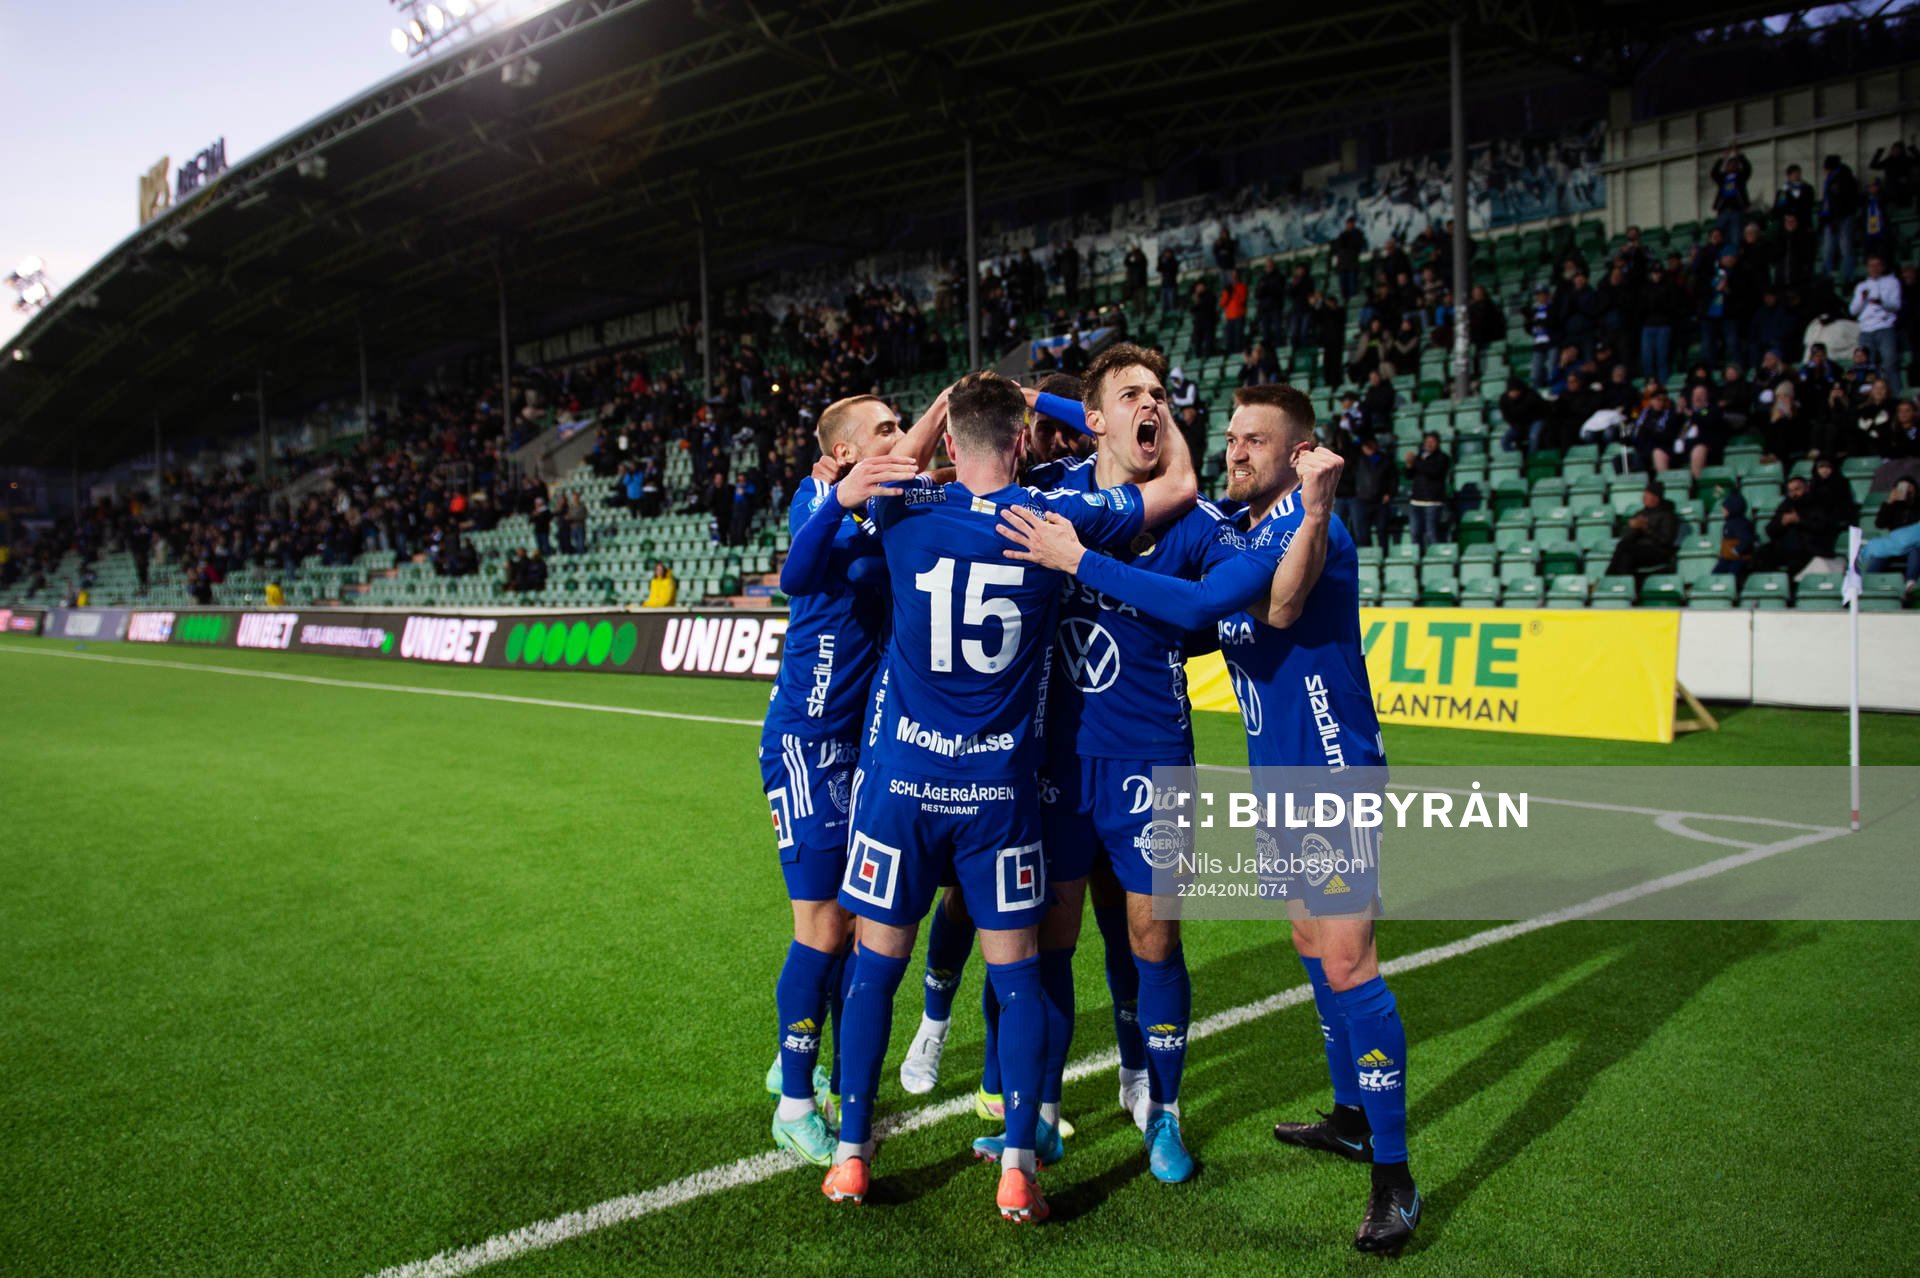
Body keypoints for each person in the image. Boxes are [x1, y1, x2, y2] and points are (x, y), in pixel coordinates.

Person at [998, 385, 1422, 1255]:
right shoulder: (1238, 525)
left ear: (1301, 451)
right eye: (1232, 437)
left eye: (1257, 441)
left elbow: (1238, 609)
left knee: (1348, 960)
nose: (1237, 452)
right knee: (1311, 946)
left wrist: (1078, 559)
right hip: (1279, 776)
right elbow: (1162, 459)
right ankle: (1348, 1114)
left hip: (1330, 771)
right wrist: (1052, 402)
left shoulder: (1311, 525)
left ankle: (1395, 1174)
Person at [794, 371, 1196, 1221]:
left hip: (901, 790)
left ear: (945, 444)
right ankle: (1018, 1162)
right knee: (1019, 984)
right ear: (1022, 444)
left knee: (872, 977)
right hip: (997, 798)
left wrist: (932, 412)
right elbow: (1174, 487)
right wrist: (1082, 411)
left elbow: (814, 555)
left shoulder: (904, 510)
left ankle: (854, 1157)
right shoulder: (1055, 524)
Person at [903, 346, 1225, 1186]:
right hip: (1055, 762)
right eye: (1131, 395)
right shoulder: (1046, 494)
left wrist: (1123, 410)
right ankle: (1034, 1114)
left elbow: (1205, 562)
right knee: (1049, 943)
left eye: (1161, 394)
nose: (1150, 405)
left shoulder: (1187, 515)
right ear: (1095, 415)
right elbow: (959, 488)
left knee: (1154, 940)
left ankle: (1163, 1111)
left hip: (1154, 765)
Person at [758, 390, 935, 1168]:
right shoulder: (813, 496)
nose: (901, 438)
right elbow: (797, 575)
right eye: (885, 429)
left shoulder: (894, 494)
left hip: (862, 747)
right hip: (804, 739)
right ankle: (795, 1103)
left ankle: (801, 1065)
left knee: (860, 926)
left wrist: (947, 408)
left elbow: (919, 452)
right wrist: (837, 497)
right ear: (841, 451)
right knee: (824, 927)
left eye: (902, 425)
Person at [1755, 475, 1840, 575]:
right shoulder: (1786, 504)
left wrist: (1799, 520)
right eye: (1790, 491)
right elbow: (1769, 529)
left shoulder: (1817, 504)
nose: (1794, 494)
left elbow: (1823, 526)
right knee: (1762, 554)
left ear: (1806, 488)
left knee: (1796, 559)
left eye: (1797, 489)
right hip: (1784, 547)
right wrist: (1782, 523)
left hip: (1808, 547)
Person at [1851, 255, 1903, 396]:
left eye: (1877, 265)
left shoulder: (1892, 282)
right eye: (1871, 265)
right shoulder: (1861, 286)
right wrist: (1862, 299)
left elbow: (1896, 305)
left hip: (1885, 327)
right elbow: (1853, 310)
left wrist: (1882, 302)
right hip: (1866, 329)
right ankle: (1870, 399)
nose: (1874, 268)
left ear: (1883, 267)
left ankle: (1896, 396)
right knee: (1866, 366)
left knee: (1890, 362)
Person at [1862, 477, 1919, 601]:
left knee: (1915, 549)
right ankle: (1867, 583)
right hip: (1894, 545)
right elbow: (1879, 523)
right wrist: (1889, 502)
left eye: (1908, 486)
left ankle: (1910, 583)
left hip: (1913, 544)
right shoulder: (1893, 506)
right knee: (1878, 553)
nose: (1905, 489)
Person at [1606, 483, 1679, 577]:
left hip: (1657, 551)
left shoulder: (1668, 515)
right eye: (1644, 494)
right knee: (1624, 551)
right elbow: (1626, 538)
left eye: (1647, 495)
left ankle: (1611, 579)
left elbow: (1665, 540)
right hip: (1639, 550)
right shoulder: (1640, 513)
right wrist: (1633, 528)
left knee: (1625, 550)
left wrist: (1646, 528)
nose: (1643, 497)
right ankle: (1621, 582)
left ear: (1656, 498)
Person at [1819, 154, 1861, 285]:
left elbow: (1843, 202)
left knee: (1845, 248)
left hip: (1842, 218)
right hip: (1833, 218)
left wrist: (1835, 218)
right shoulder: (1835, 179)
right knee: (1830, 249)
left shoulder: (1842, 179)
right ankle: (1828, 276)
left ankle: (1848, 276)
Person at [1403, 432, 1450, 549]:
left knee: (1431, 534)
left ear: (1438, 443)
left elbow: (1433, 471)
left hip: (1433, 502)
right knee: (1415, 533)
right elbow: (1409, 475)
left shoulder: (1442, 458)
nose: (1429, 444)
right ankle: (1418, 561)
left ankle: (1435, 559)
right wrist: (1409, 465)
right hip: (1416, 502)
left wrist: (1416, 462)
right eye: (1427, 442)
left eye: (1432, 442)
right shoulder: (1420, 458)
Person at [1709, 145, 1754, 245]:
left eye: (1735, 164)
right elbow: (1714, 173)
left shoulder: (1740, 177)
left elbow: (1748, 169)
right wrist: (1722, 158)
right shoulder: (1723, 178)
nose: (1732, 166)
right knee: (1721, 235)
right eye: (1730, 164)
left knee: (1736, 236)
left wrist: (1740, 156)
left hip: (1737, 210)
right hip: (1723, 211)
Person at [1333, 217, 1366, 300]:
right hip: (1342, 265)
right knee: (1343, 291)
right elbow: (1337, 247)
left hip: (1352, 265)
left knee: (1352, 290)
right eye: (1348, 223)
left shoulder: (1358, 234)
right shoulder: (1342, 235)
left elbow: (1357, 246)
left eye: (1351, 223)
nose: (1349, 225)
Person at [1221, 270, 1250, 355]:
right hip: (1230, 317)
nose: (1234, 278)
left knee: (1238, 337)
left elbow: (1242, 300)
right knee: (1230, 337)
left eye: (1235, 275)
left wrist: (1234, 294)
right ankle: (1230, 354)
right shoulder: (1227, 289)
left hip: (1239, 315)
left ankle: (1238, 353)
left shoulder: (1242, 286)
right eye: (1232, 276)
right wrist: (1228, 294)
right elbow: (1222, 303)